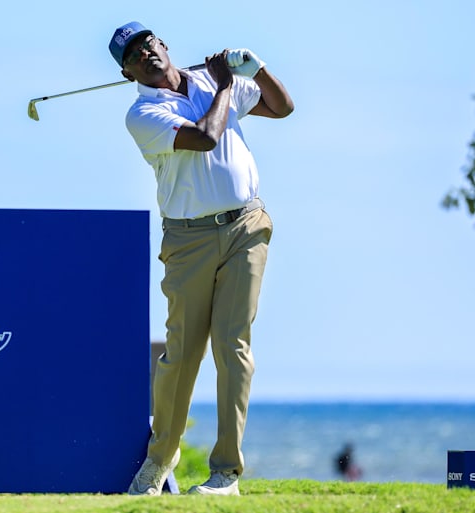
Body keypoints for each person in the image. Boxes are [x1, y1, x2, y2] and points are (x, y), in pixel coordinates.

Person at [108, 22, 294, 496]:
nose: (145, 53)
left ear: (163, 45)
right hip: (188, 241)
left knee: (233, 350)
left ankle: (225, 474)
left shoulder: (211, 80)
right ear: (128, 72)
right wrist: (228, 86)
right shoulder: (143, 113)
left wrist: (259, 68)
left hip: (246, 227)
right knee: (182, 356)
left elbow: (282, 107)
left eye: (148, 43)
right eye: (133, 55)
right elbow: (206, 137)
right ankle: (158, 463)